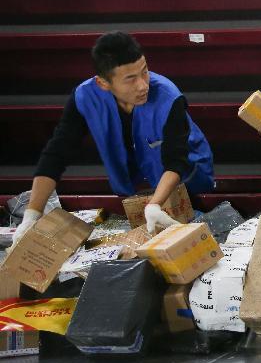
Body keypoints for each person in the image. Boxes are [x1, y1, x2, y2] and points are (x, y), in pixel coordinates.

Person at [13, 32, 214, 243]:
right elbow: (56, 155)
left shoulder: (169, 96)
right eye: (130, 79)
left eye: (144, 72)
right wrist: (31, 216)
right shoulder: (85, 97)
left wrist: (155, 205)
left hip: (185, 179)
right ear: (103, 83)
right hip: (134, 185)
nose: (143, 85)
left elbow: (176, 160)